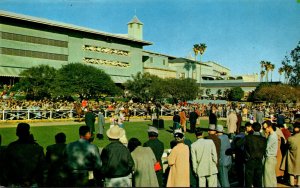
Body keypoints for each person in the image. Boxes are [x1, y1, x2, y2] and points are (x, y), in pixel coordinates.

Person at [5, 123, 46, 187]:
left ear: (17, 133)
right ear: (28, 132)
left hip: (16, 183)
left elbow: (7, 167)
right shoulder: (38, 148)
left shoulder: (11, 147)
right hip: (32, 183)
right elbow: (42, 168)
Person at [242, 122, 267, 187]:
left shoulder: (248, 137)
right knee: (258, 180)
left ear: (252, 128)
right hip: (259, 160)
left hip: (250, 160)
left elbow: (238, 144)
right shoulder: (263, 139)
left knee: (248, 180)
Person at [281, 121, 300, 187]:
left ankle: (291, 183)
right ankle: (298, 183)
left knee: (291, 170)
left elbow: (286, 146)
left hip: (292, 156)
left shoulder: (290, 139)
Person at [263, 120, 278, 187]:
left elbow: (265, 147)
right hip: (272, 158)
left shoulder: (272, 136)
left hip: (270, 158)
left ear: (269, 127)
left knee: (268, 178)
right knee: (271, 176)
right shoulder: (273, 135)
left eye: (265, 128)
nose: (264, 130)